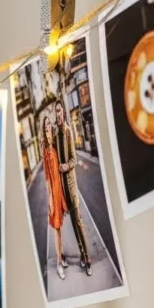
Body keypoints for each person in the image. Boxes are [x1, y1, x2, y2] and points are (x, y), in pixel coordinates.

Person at [54, 100, 91, 275]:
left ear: (63, 112)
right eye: (56, 112)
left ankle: (87, 257)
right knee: (73, 225)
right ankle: (82, 254)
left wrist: (65, 167)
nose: (58, 114)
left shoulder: (68, 132)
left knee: (78, 221)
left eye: (60, 111)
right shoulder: (56, 135)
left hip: (71, 186)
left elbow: (74, 160)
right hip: (63, 190)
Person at [41, 115, 67, 280]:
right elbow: (47, 178)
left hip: (60, 190)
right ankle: (58, 263)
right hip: (53, 191)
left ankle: (62, 255)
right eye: (46, 126)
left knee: (60, 228)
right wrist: (50, 198)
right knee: (56, 227)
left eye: (49, 124)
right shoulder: (45, 150)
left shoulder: (54, 146)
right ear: (44, 131)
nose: (48, 127)